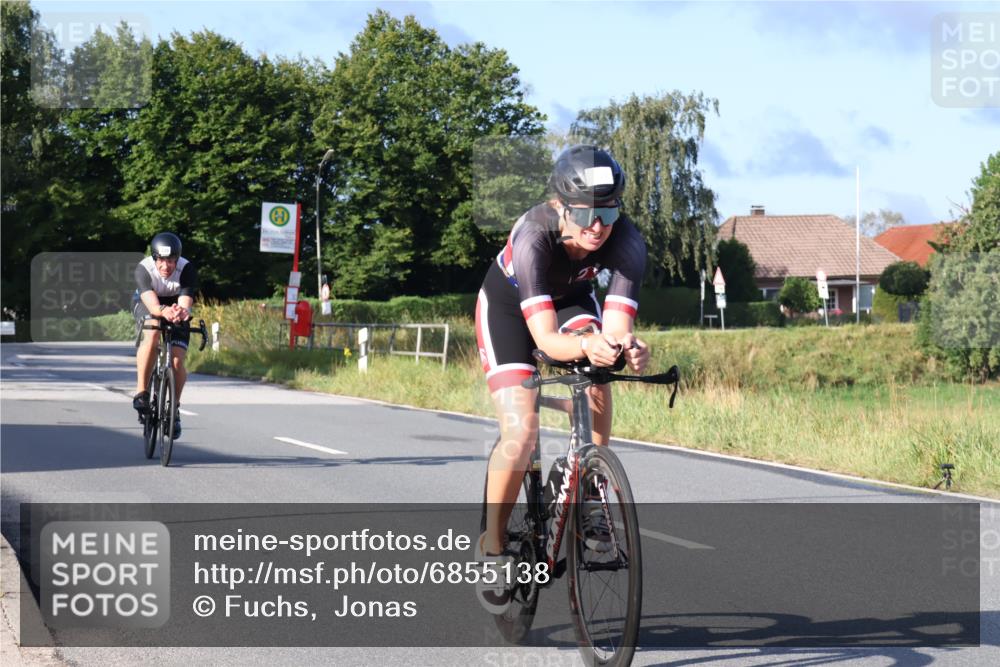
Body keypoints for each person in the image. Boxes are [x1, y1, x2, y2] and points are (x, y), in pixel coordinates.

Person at [474, 145, 650, 613]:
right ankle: (493, 548)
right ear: (559, 206)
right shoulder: (534, 234)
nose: (598, 226)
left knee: (600, 370)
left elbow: (615, 329)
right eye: (586, 213)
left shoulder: (627, 241)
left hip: (571, 300)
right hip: (510, 311)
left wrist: (626, 346)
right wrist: (588, 345)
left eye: (608, 211)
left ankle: (590, 491)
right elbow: (548, 340)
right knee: (521, 431)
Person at [132, 232, 197, 438]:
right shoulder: (144, 269)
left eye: (170, 261)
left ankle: (173, 409)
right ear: (154, 258)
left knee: (177, 361)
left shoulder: (186, 268)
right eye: (161, 260)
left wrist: (180, 312)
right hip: (147, 302)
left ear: (177, 259)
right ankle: (141, 393)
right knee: (152, 331)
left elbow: (185, 302)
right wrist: (162, 311)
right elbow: (153, 306)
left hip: (175, 304)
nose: (166, 266)